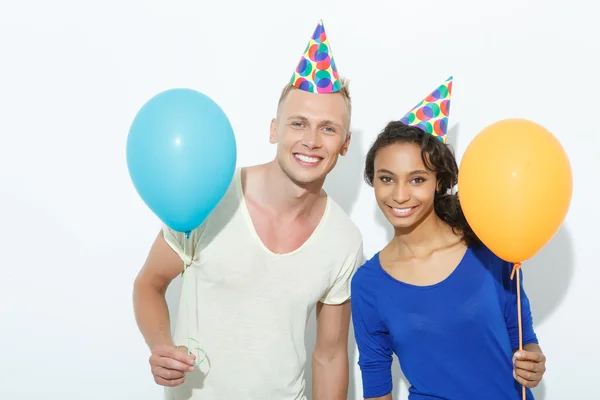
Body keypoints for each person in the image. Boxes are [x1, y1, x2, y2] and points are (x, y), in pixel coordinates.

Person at [132, 20, 364, 400]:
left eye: (328, 128)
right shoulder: (209, 196)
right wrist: (159, 345)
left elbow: (330, 354)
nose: (310, 140)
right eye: (298, 123)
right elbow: (149, 284)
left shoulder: (344, 240)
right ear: (274, 130)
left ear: (345, 143)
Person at [351, 78, 546, 400]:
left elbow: (521, 335)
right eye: (387, 179)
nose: (399, 195)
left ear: (438, 182)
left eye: (416, 179)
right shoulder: (368, 284)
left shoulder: (489, 250)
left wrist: (533, 361)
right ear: (373, 182)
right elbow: (375, 378)